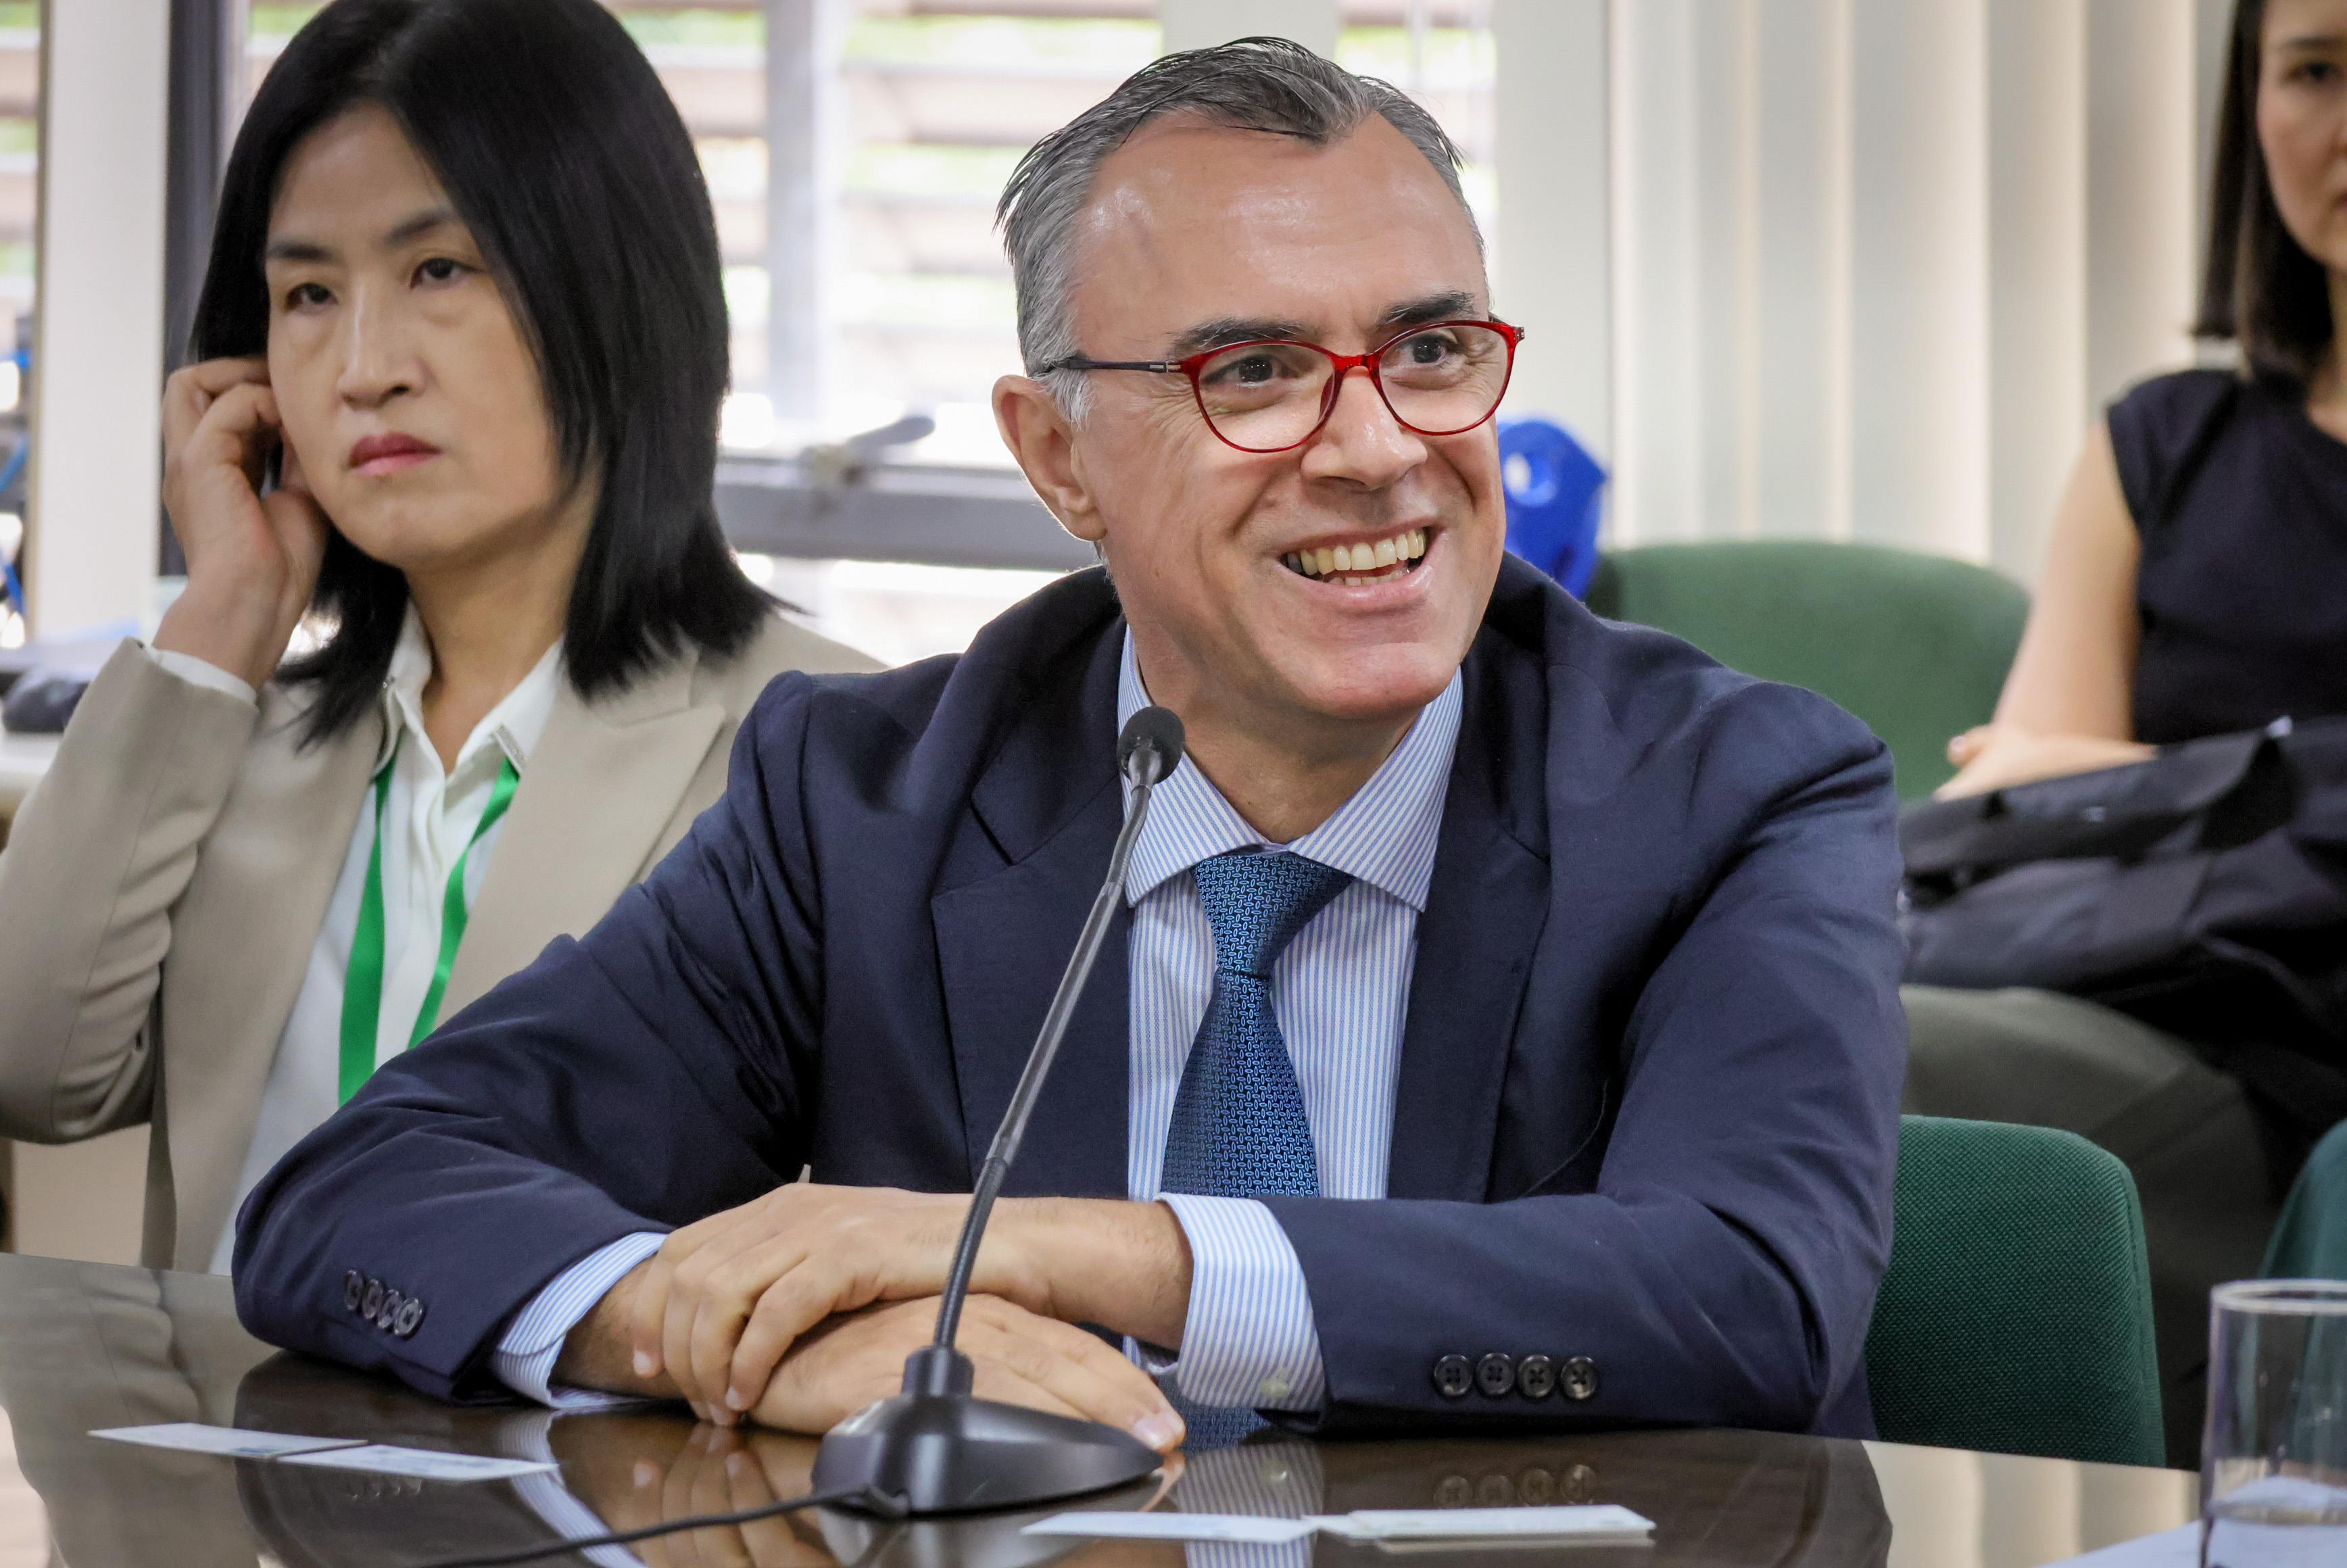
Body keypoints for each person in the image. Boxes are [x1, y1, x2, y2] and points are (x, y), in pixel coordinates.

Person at [236, 39, 1906, 1450]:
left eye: (1429, 351)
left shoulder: (1734, 794)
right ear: (1058, 459)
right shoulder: (863, 802)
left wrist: (1058, 1256)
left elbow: (1750, 1294)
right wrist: (730, 1328)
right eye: (1254, 371)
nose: (1374, 448)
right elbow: (359, 1192)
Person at [0, 0, 871, 1277]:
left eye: (439, 271)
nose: (364, 368)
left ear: (615, 286)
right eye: (308, 292)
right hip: (216, 1417)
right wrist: (222, 616)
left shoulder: (837, 756)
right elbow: (28, 1068)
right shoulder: (233, 740)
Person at [1905, 0, 2347, 1464]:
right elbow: (2017, 812)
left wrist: (2145, 778)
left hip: (2293, 1053)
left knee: (1880, 1063)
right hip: (2124, 988)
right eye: (2313, 68)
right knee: (1790, 1024)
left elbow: (2064, 766)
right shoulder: (2161, 441)